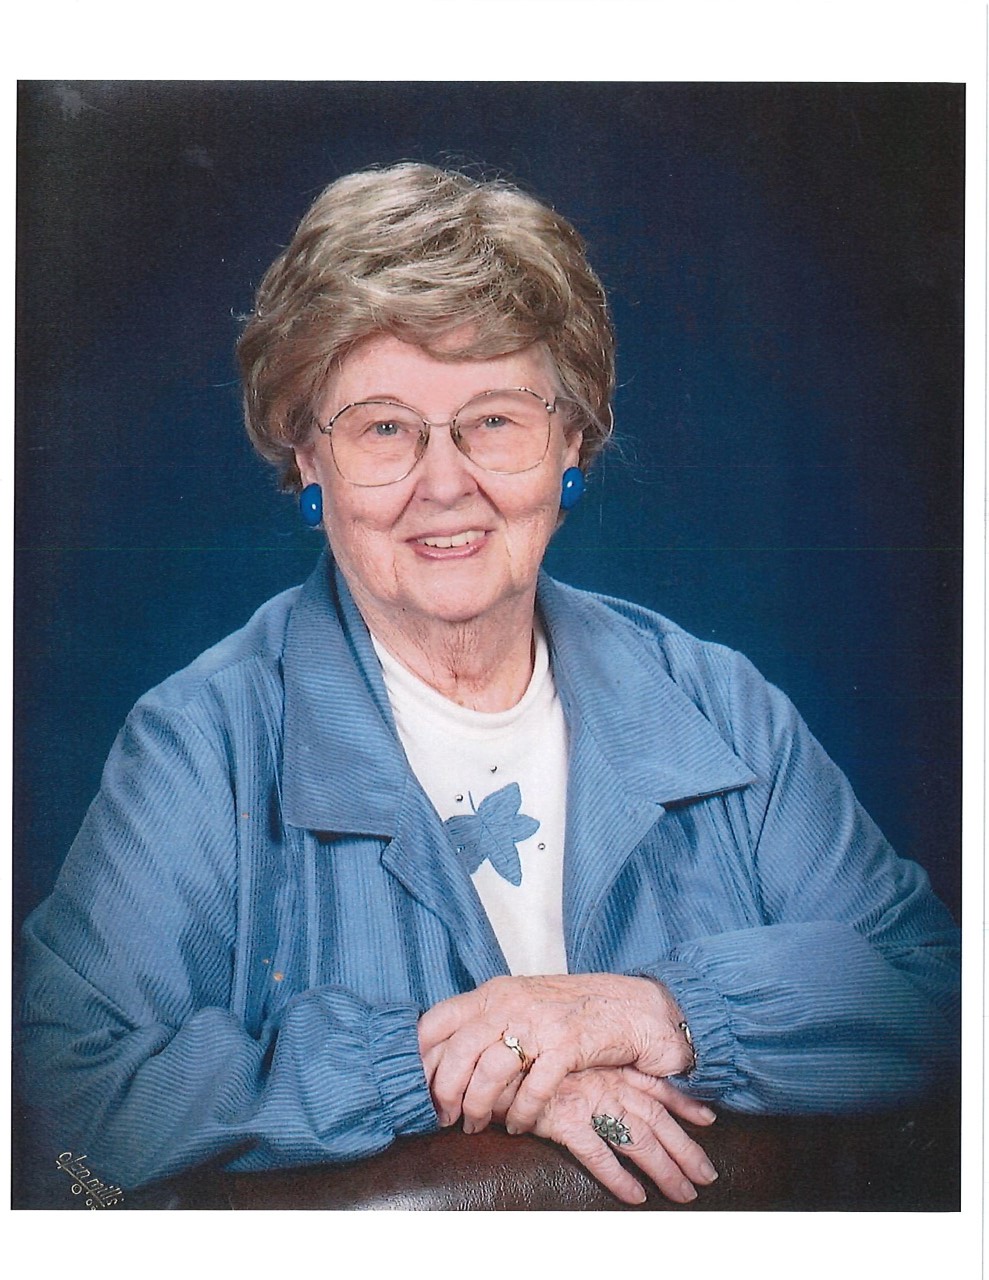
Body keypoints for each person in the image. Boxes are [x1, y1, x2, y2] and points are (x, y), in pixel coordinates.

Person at [18, 162, 960, 1209]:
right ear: (307, 457)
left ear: (571, 439)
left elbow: (936, 990)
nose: (444, 482)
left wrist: (653, 1012)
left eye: (496, 420)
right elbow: (53, 1116)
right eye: (383, 427)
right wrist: (437, 1065)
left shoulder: (719, 705)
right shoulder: (202, 745)